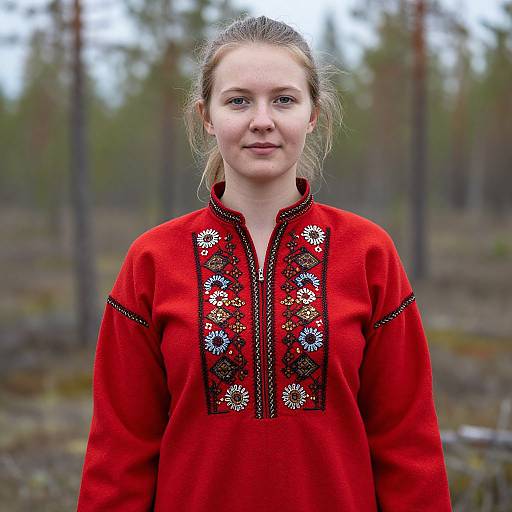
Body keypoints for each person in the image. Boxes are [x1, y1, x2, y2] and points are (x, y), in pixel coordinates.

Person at [76, 15, 452, 512]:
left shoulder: (368, 254)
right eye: (238, 100)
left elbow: (408, 444)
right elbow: (119, 453)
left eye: (283, 99)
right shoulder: (151, 262)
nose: (262, 120)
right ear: (206, 116)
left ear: (312, 114)